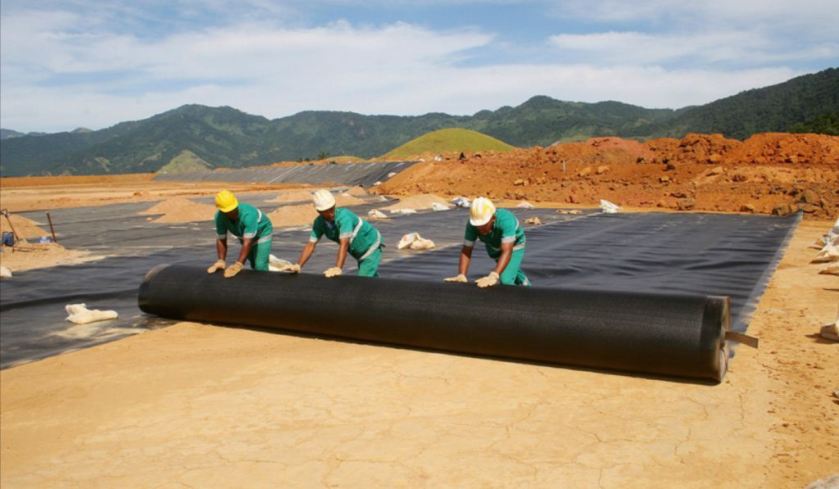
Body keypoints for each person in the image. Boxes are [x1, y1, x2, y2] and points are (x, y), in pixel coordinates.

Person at [283, 189, 383, 278]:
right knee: (371, 279)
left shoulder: (344, 217)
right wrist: (298, 265)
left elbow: (344, 243)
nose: (330, 213)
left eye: (331, 209)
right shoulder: (319, 223)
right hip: (359, 252)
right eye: (326, 211)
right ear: (319, 211)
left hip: (371, 246)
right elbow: (311, 245)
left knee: (364, 281)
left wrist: (338, 268)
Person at [444, 197, 530, 288]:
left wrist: (494, 275)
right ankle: (521, 280)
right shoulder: (472, 224)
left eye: (484, 224)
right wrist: (461, 274)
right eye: (478, 225)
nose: (480, 228)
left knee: (506, 280)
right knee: (508, 268)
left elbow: (507, 251)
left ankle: (522, 292)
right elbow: (466, 250)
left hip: (514, 245)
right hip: (493, 246)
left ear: (493, 218)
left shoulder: (506, 220)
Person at [207, 190, 274, 278]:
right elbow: (221, 239)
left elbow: (248, 242)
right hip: (244, 236)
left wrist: (239, 264)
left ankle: (266, 286)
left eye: (233, 209)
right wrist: (221, 260)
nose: (232, 213)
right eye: (228, 211)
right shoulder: (219, 217)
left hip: (262, 234)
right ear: (222, 211)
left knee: (260, 266)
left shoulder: (248, 214)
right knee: (253, 265)